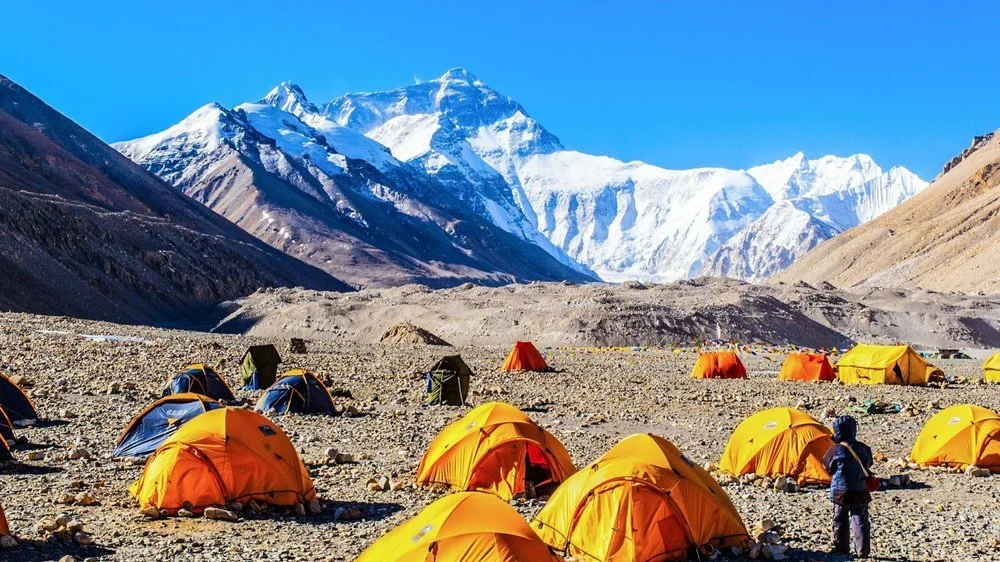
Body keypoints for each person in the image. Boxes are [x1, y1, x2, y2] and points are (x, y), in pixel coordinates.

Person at [823, 415, 874, 557]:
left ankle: (841, 548)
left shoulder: (835, 450)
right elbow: (869, 463)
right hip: (860, 489)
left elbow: (828, 467)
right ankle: (863, 550)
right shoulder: (863, 448)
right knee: (860, 519)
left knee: (840, 519)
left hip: (840, 491)